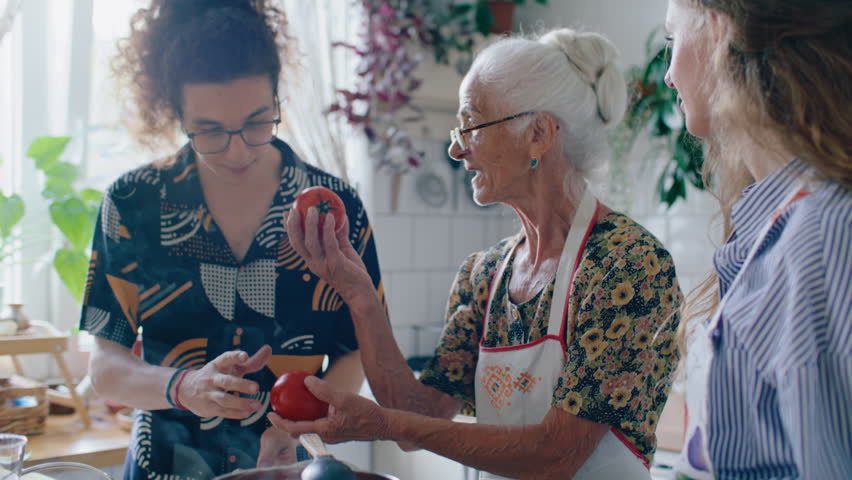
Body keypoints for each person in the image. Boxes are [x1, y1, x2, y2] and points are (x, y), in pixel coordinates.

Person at [274, 28, 684, 479]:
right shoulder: (484, 275)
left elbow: (557, 455)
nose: (456, 147)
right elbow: (418, 418)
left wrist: (382, 424)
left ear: (538, 134)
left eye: (471, 124)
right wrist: (359, 295)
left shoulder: (627, 265)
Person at [79, 1, 384, 478]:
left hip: (285, 465)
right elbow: (105, 365)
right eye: (210, 131)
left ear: (278, 97)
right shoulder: (133, 203)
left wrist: (293, 428)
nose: (238, 149)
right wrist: (183, 385)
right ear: (174, 111)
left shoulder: (334, 207)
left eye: (258, 121)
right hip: (163, 466)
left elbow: (356, 349)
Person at [662, 0, 852, 478]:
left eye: (672, 41)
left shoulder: (824, 232)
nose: (667, 76)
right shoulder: (770, 224)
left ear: (719, 31)